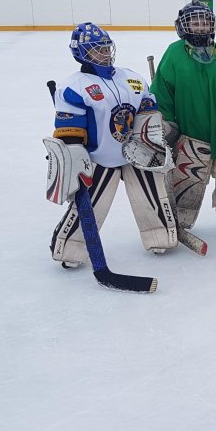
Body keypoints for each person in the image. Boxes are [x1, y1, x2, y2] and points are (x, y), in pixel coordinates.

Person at [46, 23, 177, 268]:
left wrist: (152, 139)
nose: (104, 53)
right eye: (97, 50)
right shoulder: (73, 87)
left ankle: (159, 236)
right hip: (98, 159)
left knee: (153, 199)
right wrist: (72, 153)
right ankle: (70, 248)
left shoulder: (133, 78)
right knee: (91, 207)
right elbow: (70, 130)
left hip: (137, 154)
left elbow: (147, 113)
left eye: (106, 47)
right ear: (81, 53)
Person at [150, 0, 216, 232]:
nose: (200, 27)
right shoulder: (174, 54)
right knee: (186, 181)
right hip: (190, 137)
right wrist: (165, 127)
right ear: (182, 26)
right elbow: (162, 94)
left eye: (205, 22)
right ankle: (180, 215)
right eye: (194, 22)